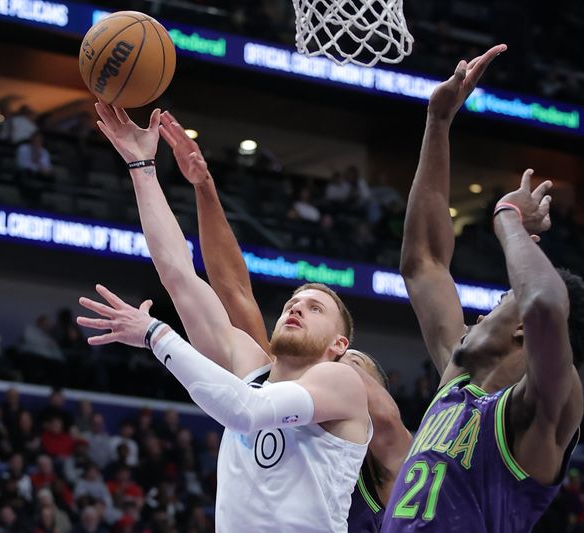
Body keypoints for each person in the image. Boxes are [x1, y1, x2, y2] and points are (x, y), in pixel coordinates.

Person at [78, 102, 371, 532]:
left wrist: (155, 335)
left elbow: (246, 412)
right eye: (294, 302)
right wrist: (141, 165)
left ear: (339, 345)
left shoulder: (341, 381)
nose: (296, 308)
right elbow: (177, 273)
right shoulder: (250, 367)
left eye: (315, 308)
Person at [382, 45, 584, 532]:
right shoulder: (457, 378)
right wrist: (438, 122)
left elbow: (546, 302)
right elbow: (422, 262)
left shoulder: (549, 404)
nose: (480, 317)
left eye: (501, 302)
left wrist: (509, 219)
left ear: (523, 326)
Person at [157, 111, 413, 532]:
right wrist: (205, 189)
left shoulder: (391, 454)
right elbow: (233, 289)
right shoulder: (284, 386)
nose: (331, 375)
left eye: (349, 369)